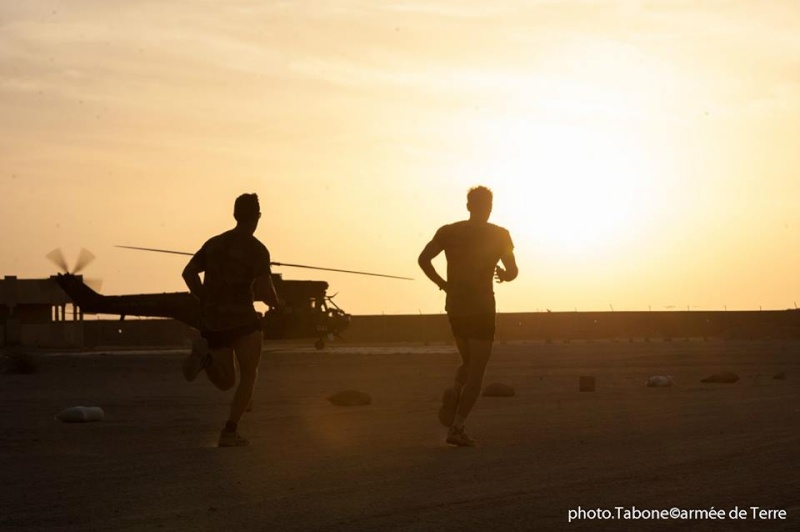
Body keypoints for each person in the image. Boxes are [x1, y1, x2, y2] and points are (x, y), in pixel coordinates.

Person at [418, 186, 518, 446]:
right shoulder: (500, 235)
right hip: (482, 308)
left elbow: (423, 259)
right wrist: (504, 276)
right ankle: (458, 428)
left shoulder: (449, 231)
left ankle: (455, 390)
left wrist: (444, 283)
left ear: (468, 206)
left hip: (456, 307)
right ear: (490, 207)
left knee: (467, 360)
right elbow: (513, 270)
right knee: (477, 371)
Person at [180, 193, 280, 447]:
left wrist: (204, 298)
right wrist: (279, 306)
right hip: (243, 320)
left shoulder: (214, 244)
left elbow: (188, 272)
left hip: (214, 321)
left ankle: (207, 359)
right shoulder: (257, 249)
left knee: (226, 381)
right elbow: (266, 290)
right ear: (257, 217)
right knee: (248, 375)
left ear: (235, 215)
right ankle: (229, 431)